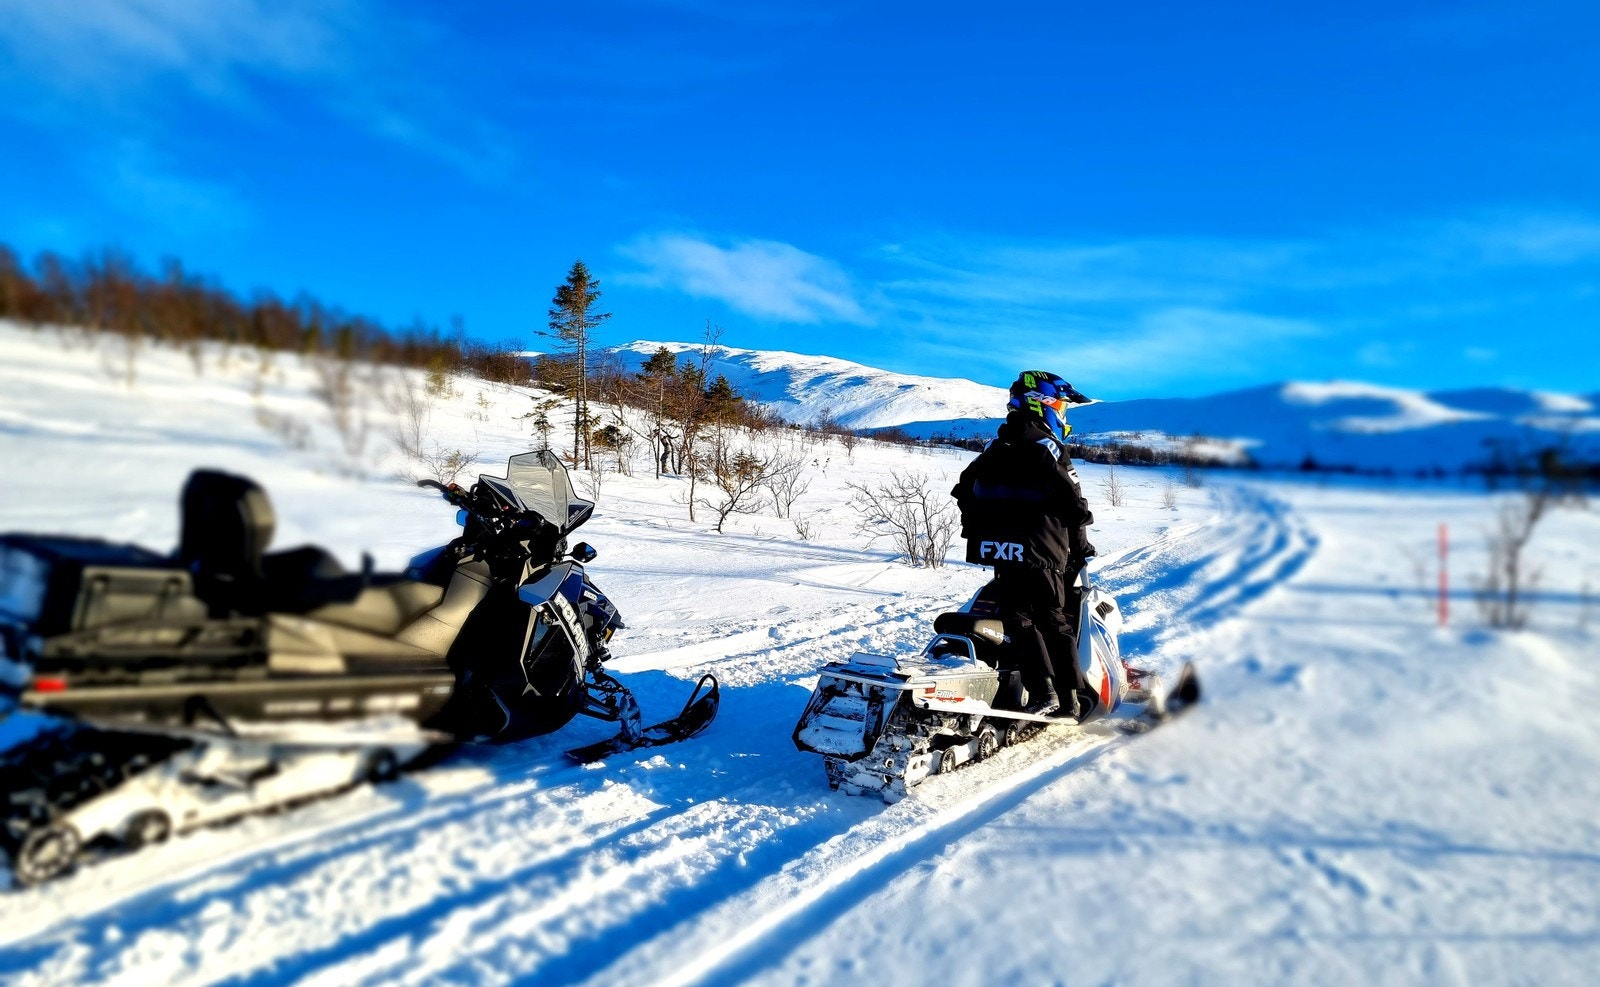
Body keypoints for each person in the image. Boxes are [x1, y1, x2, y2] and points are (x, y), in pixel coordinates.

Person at [951, 370, 1097, 717]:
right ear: (1044, 405)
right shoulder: (1048, 447)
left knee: (1019, 618)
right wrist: (1081, 550)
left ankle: (1041, 691)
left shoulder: (994, 447)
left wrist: (977, 532)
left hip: (1003, 550)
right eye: (1061, 406)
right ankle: (1069, 700)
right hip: (1044, 551)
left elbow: (963, 491)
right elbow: (1075, 507)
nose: (1062, 414)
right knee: (1053, 619)